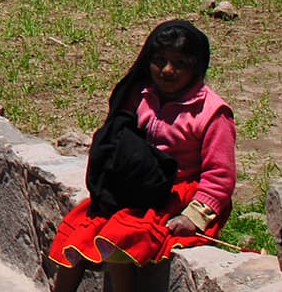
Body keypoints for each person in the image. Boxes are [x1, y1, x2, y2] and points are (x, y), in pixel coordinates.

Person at [48, 19, 236, 292]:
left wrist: (193, 217)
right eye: (159, 60)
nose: (167, 70)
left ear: (196, 67)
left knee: (118, 238)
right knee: (77, 236)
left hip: (175, 195)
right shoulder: (141, 95)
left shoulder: (211, 114)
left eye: (180, 63)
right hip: (133, 187)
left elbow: (220, 175)